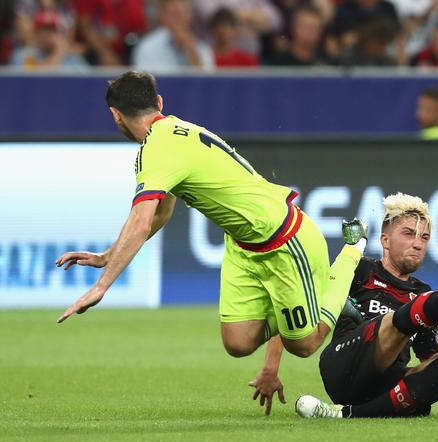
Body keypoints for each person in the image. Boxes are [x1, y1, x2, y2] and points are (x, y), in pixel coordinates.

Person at [55, 72, 368, 397]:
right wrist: (108, 255)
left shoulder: (157, 147)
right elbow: (162, 212)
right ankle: (308, 299)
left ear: (115, 115)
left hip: (285, 240)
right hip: (243, 245)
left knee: (303, 345)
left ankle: (349, 255)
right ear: (159, 103)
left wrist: (102, 284)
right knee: (237, 343)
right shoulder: (174, 132)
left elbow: (141, 221)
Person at [295, 193, 438, 418]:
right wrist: (271, 367)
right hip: (342, 367)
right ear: (385, 240)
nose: (417, 244)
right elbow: (300, 303)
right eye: (408, 234)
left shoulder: (422, 294)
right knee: (395, 321)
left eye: (424, 238)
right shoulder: (360, 270)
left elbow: (429, 361)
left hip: (380, 387)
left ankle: (346, 414)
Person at [132, 0, 214, 71]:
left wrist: (192, 51)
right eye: (173, 14)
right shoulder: (147, 46)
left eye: (182, 13)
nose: (178, 20)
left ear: (189, 16)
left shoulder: (203, 49)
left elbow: (207, 84)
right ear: (162, 16)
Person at [10, 10, 88, 69]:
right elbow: (35, 80)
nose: (46, 34)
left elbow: (87, 82)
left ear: (58, 33)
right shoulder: (24, 55)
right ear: (35, 33)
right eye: (42, 29)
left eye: (51, 29)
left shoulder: (72, 57)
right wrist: (58, 52)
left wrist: (63, 50)